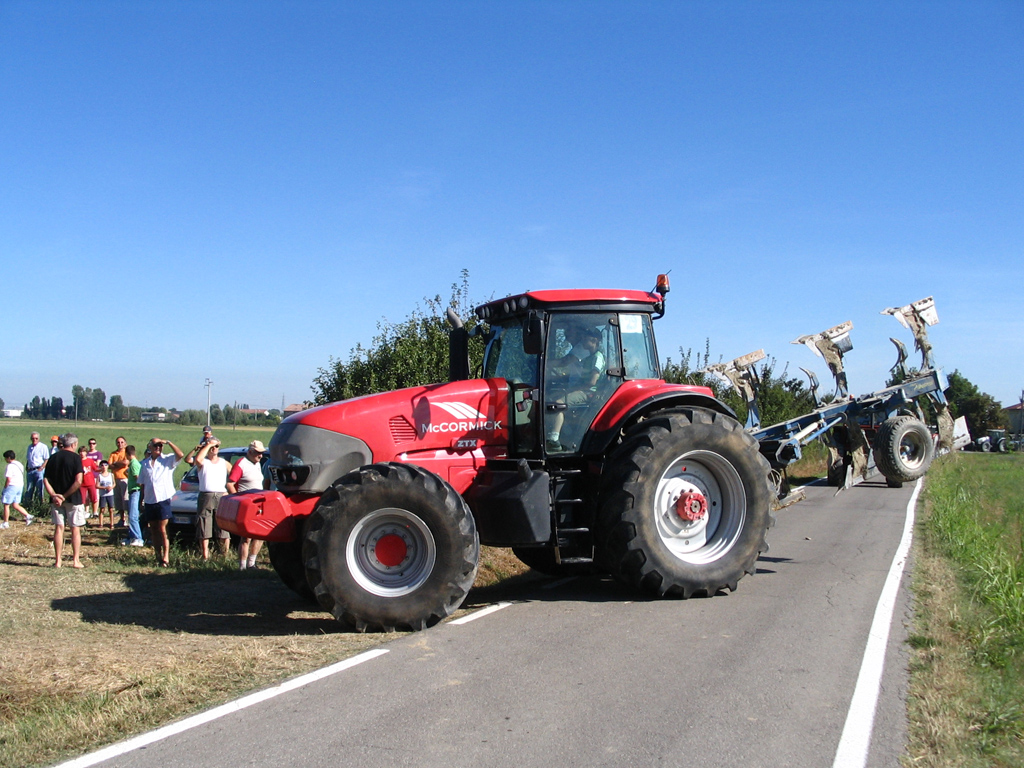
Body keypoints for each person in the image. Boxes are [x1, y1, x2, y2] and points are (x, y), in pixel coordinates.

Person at [546, 326, 606, 451]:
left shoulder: (597, 358)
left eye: (586, 337)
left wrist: (571, 390)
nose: (582, 339)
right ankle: (563, 432)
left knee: (558, 404)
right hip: (582, 389)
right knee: (550, 399)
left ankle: (554, 439)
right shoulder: (589, 357)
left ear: (595, 340)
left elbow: (591, 382)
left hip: (588, 392)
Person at [137, 438, 184, 567]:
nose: (158, 447)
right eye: (156, 445)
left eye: (160, 445)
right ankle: (157, 555)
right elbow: (143, 484)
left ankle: (166, 557)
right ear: (150, 447)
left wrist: (168, 442)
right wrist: (141, 501)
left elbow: (180, 455)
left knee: (163, 529)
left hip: (163, 499)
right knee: (153, 529)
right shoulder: (145, 464)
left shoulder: (167, 460)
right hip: (150, 500)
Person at [43, 433, 86, 568]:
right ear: (73, 445)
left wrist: (55, 495)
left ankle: (58, 561)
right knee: (75, 529)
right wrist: (65, 495)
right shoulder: (76, 458)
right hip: (73, 499)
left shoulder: (53, 458)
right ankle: (75, 560)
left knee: (59, 528)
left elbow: (45, 479)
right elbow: (78, 481)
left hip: (56, 500)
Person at [226, 440, 269, 569]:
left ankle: (252, 563)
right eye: (258, 453)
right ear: (250, 452)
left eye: (262, 453)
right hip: (246, 505)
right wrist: (238, 500)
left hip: (259, 504)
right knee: (246, 537)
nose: (260, 456)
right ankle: (242, 566)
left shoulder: (257, 464)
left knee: (260, 534)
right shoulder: (241, 464)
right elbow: (230, 483)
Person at [193, 438, 231, 560]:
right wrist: (208, 444)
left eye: (217, 446)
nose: (214, 449)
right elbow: (197, 459)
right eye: (212, 447)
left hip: (221, 495)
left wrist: (229, 491)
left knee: (223, 525)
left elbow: (235, 475)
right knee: (204, 524)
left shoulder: (224, 463)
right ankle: (205, 555)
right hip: (206, 495)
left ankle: (224, 555)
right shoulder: (203, 462)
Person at [2, 450, 33, 527]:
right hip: (20, 486)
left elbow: (9, 479)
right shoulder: (19, 464)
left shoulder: (10, 466)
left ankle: (5, 523)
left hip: (12, 486)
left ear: (9, 458)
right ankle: (28, 516)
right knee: (15, 504)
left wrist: (5, 487)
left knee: (6, 504)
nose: (5, 460)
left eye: (6, 458)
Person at [107, 436, 130, 527]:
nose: (120, 444)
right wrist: (118, 464)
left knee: (125, 499)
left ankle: (128, 519)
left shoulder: (127, 452)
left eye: (121, 442)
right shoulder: (113, 454)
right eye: (118, 442)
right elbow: (109, 465)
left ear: (125, 443)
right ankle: (122, 518)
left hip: (125, 478)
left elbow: (126, 463)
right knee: (118, 500)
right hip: (115, 479)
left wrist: (115, 463)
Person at [124, 445, 144, 546]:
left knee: (133, 516)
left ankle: (138, 538)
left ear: (127, 454)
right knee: (132, 515)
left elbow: (138, 478)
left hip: (135, 491)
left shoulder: (134, 464)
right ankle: (132, 537)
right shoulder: (132, 463)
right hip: (133, 491)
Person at [24, 432, 50, 506]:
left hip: (39, 470)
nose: (34, 440)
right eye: (32, 438)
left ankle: (39, 504)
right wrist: (27, 467)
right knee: (29, 488)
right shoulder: (29, 447)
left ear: (39, 438)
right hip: (30, 470)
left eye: (36, 438)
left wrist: (42, 467)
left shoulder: (43, 447)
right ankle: (28, 504)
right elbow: (28, 458)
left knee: (39, 488)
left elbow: (46, 459)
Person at [77, 446, 99, 520]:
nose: (82, 453)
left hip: (91, 482)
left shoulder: (90, 461)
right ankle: (83, 513)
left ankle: (95, 512)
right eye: (80, 452)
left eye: (83, 452)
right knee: (82, 499)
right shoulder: (78, 461)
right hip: (82, 483)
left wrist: (102, 469)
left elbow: (95, 469)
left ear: (86, 453)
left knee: (94, 498)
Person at [95, 461, 116, 529]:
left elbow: (114, 483)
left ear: (108, 466)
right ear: (100, 467)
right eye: (102, 465)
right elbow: (97, 486)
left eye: (105, 465)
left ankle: (112, 523)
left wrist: (111, 487)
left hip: (110, 494)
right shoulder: (99, 475)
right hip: (103, 495)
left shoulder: (111, 474)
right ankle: (101, 523)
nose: (104, 467)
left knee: (111, 509)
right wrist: (104, 487)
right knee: (102, 509)